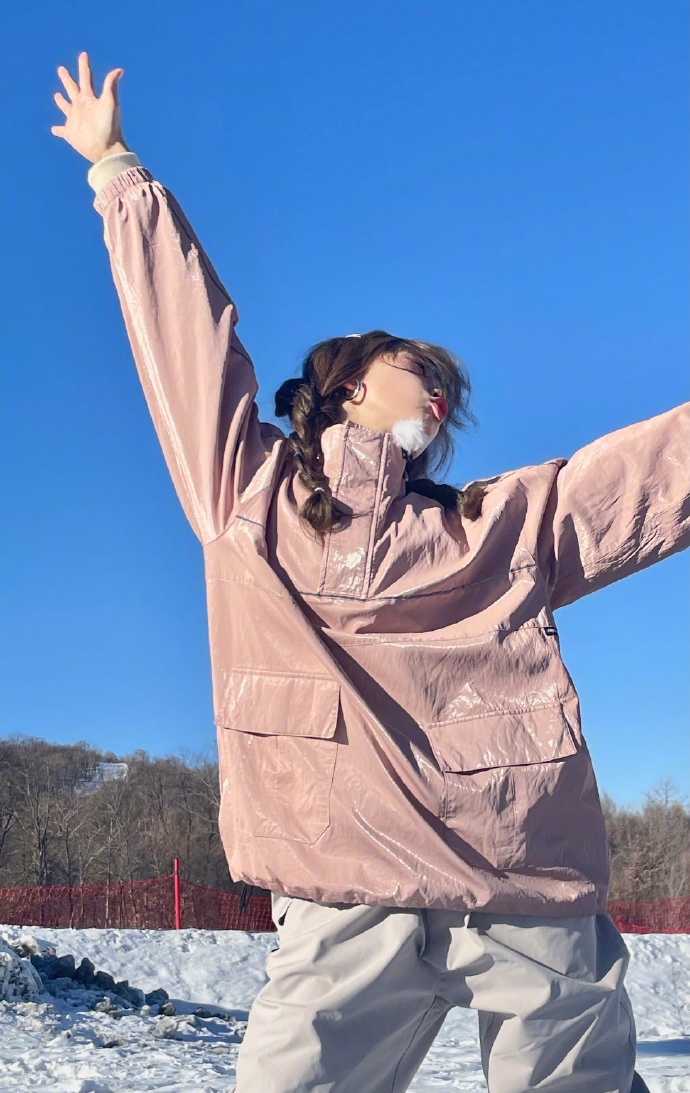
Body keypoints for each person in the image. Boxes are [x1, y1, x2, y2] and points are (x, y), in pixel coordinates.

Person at [50, 53, 684, 1093]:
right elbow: (189, 349)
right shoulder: (247, 495)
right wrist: (117, 170)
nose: (438, 390)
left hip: (520, 881)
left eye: (446, 388)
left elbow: (641, 478)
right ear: (345, 385)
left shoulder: (493, 524)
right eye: (417, 368)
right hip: (343, 884)